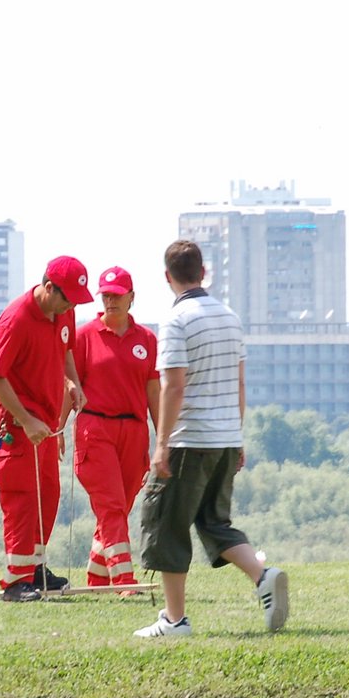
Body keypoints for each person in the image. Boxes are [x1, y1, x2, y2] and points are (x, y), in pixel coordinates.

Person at [134, 240, 288, 638]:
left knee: (166, 524)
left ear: (167, 277)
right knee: (213, 522)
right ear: (204, 273)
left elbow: (173, 386)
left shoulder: (176, 321)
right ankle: (262, 574)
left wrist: (162, 443)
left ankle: (174, 619)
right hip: (224, 437)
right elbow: (239, 381)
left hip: (189, 439)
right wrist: (237, 437)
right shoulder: (230, 317)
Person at [0, 256, 91, 602]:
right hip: (13, 420)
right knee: (22, 496)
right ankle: (15, 582)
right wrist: (26, 420)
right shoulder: (15, 320)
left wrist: (73, 384)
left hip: (44, 419)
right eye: (67, 298)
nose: (71, 306)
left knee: (47, 492)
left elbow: (66, 351)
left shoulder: (64, 312)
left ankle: (35, 569)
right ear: (48, 288)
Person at [72, 265, 160, 590]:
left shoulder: (147, 339)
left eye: (117, 296)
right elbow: (71, 384)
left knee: (120, 507)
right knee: (110, 505)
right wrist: (56, 430)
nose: (111, 301)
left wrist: (162, 437)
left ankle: (97, 578)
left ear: (131, 298)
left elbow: (154, 390)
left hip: (134, 432)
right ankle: (123, 578)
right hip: (95, 428)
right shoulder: (84, 336)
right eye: (106, 295)